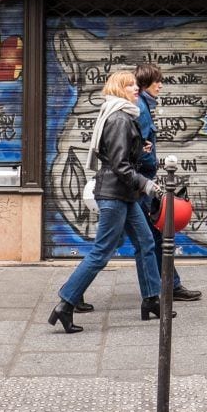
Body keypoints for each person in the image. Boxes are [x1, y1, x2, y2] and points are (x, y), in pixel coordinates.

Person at [49, 70, 172, 333]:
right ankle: (66, 303)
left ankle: (151, 299)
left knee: (146, 242)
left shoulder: (124, 116)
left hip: (125, 194)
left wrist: (140, 150)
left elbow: (120, 155)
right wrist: (146, 184)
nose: (135, 88)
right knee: (102, 251)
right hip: (116, 194)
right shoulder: (119, 119)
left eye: (135, 85)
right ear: (119, 89)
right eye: (130, 85)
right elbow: (119, 165)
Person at [134, 62, 202, 302]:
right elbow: (134, 147)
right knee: (141, 241)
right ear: (145, 84)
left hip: (141, 184)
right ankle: (72, 294)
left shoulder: (143, 105)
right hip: (139, 186)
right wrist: (145, 161)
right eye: (157, 82)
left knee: (152, 238)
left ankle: (168, 287)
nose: (161, 85)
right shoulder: (140, 109)